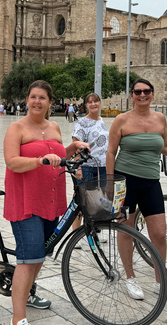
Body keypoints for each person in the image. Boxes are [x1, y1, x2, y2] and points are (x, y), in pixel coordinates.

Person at [3, 80, 88, 325]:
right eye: (33, 97)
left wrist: (74, 147)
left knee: (40, 254)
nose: (37, 101)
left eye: (42, 97)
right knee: (28, 259)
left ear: (51, 102)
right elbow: (11, 161)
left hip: (50, 200)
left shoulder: (54, 127)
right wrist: (39, 161)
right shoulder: (17, 128)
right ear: (27, 100)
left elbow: (59, 155)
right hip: (26, 200)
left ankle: (28, 294)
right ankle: (18, 318)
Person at [107, 78, 167, 302]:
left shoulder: (159, 118)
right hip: (125, 182)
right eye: (138, 92)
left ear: (152, 94)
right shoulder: (121, 120)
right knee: (126, 230)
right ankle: (130, 277)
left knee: (159, 233)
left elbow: (164, 146)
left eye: (146, 91)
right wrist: (110, 181)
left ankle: (160, 281)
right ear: (132, 95)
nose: (142, 95)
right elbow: (110, 152)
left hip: (151, 182)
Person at [70, 92, 109, 236]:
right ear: (86, 105)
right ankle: (76, 233)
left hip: (102, 167)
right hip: (87, 167)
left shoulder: (101, 121)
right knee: (83, 201)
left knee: (98, 201)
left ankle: (95, 231)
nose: (93, 104)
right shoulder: (82, 123)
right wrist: (78, 167)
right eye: (90, 102)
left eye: (96, 101)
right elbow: (75, 145)